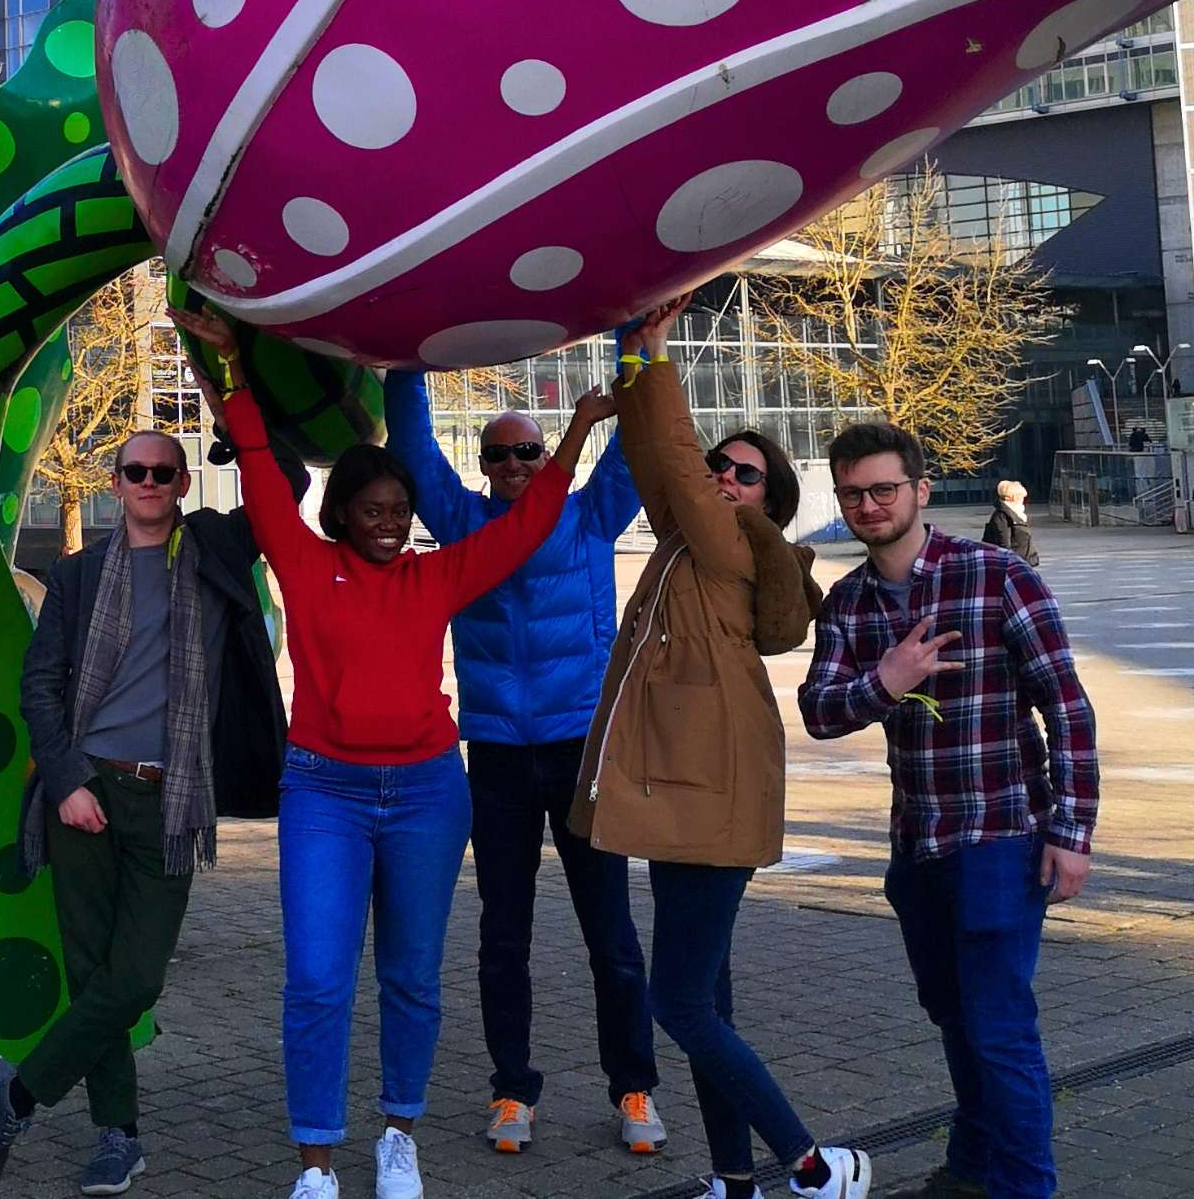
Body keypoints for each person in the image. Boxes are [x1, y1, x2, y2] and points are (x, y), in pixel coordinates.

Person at [170, 306, 614, 1199]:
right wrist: (228, 375)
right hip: (325, 794)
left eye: (401, 512)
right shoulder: (302, 560)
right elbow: (257, 469)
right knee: (317, 981)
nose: (389, 525)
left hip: (425, 794)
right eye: (373, 511)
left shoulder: (433, 573)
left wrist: (575, 433)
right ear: (342, 513)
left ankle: (398, 1137)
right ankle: (318, 1161)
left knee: (411, 979)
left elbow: (522, 530)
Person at [568, 297, 871, 1199]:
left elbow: (670, 460)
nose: (722, 478)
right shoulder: (683, 546)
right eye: (719, 468)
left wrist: (655, 357)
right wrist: (628, 365)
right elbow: (651, 460)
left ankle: (815, 1167)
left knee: (682, 1004)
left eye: (742, 473)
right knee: (710, 1000)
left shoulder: (735, 545)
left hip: (714, 795)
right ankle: (736, 1179)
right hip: (684, 792)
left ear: (767, 503)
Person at [0, 426, 306, 1195]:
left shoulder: (218, 550)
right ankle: (117, 1138)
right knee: (92, 973)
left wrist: (233, 422)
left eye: (164, 471)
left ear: (184, 483)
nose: (150, 482)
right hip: (87, 792)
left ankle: (19, 1092)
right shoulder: (79, 574)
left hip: (175, 796)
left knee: (134, 980)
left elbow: (285, 484)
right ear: (116, 482)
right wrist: (65, 783)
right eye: (136, 471)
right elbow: (41, 687)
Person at [800, 423, 1098, 1199]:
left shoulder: (995, 575)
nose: (869, 506)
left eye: (883, 490)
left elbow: (1067, 706)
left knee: (998, 1028)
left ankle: (1025, 1186)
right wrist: (887, 681)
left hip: (1002, 835)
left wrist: (1071, 832)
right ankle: (972, 1167)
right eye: (853, 493)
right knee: (954, 1017)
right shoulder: (849, 601)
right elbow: (821, 712)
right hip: (919, 845)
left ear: (920, 491)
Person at [382, 370, 663, 1157]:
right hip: (498, 756)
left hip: (581, 752)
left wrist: (633, 347)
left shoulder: (589, 517)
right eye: (498, 455)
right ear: (483, 467)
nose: (513, 465)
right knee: (503, 936)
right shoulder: (460, 522)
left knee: (609, 933)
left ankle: (634, 1085)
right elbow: (411, 446)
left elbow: (631, 455)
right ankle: (512, 1092)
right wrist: (407, 358)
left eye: (527, 452)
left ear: (547, 458)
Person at [981, 481, 1039, 568]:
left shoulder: (1017, 513)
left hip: (1024, 562)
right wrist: (1011, 564)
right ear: (1010, 497)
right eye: (1019, 497)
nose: (1022, 500)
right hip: (1014, 564)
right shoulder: (1002, 516)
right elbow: (1003, 544)